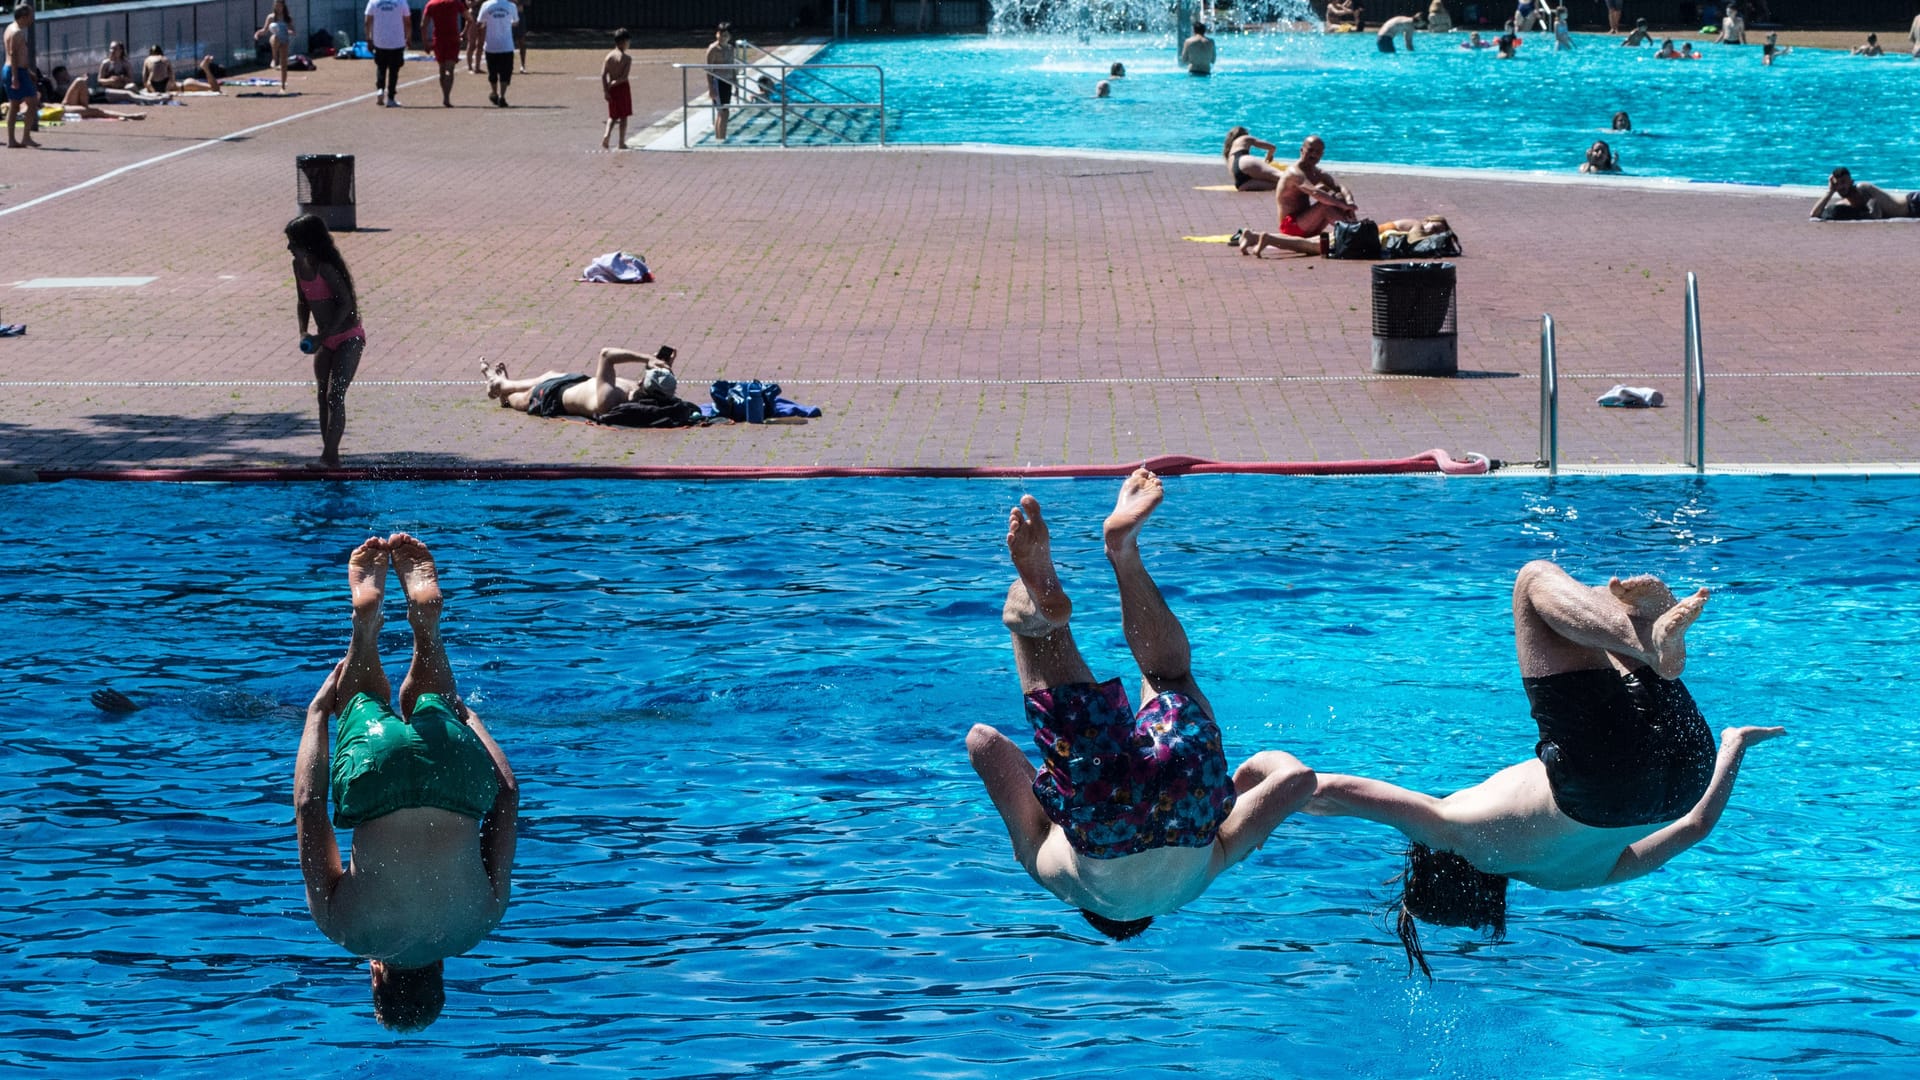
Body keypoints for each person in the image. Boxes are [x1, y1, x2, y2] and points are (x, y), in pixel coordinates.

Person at [1305, 561, 1785, 977]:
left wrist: (1734, 745)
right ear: (1434, 861)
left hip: (1687, 775)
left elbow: (1695, 828)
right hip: (1596, 779)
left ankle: (1647, 634)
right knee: (1535, 584)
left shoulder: (1576, 879)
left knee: (1593, 610)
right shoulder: (1455, 831)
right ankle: (1646, 641)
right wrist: (1243, 799)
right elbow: (1325, 790)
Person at [966, 471, 1317, 940]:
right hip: (1099, 819)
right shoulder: (1064, 884)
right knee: (1036, 635)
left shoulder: (1200, 878)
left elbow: (1298, 781)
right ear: (1093, 914)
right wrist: (1043, 800)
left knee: (1167, 677)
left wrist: (1241, 780)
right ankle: (1036, 606)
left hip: (1191, 798)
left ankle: (1123, 551)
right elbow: (983, 742)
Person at [299, 534, 518, 1030]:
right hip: (376, 780)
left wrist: (469, 718)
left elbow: (506, 796)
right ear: (377, 977)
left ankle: (427, 629)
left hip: (455, 778)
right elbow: (311, 808)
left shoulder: (480, 923)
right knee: (358, 695)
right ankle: (365, 627)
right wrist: (316, 717)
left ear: (440, 975)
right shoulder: (345, 931)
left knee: (431, 693)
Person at [287, 214, 365, 468]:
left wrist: (325, 334)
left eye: (293, 243)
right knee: (322, 396)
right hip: (324, 339)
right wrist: (303, 332)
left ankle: (328, 457)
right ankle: (331, 456)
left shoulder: (326, 268)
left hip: (347, 338)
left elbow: (346, 304)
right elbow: (302, 302)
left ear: (308, 243)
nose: (289, 248)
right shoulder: (298, 267)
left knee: (335, 395)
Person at [483, 347, 678, 420]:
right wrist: (665, 365)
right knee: (549, 374)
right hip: (575, 380)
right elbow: (660, 389)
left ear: (644, 381)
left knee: (516, 399)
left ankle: (500, 387)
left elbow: (606, 354)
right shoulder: (647, 394)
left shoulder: (610, 399)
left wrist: (646, 359)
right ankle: (503, 383)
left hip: (552, 397)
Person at [1277, 134, 1360, 241]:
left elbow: (1339, 187)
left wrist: (1349, 202)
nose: (1314, 154)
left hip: (1307, 225)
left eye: (1318, 152)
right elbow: (1315, 193)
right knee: (1325, 205)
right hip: (1291, 227)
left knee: (1338, 195)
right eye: (1310, 150)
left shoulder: (1316, 172)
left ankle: (1354, 227)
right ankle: (1355, 232)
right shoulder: (1295, 173)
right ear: (1301, 150)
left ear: (1322, 154)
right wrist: (1342, 206)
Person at [1809, 166, 1920, 220]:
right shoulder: (1844, 203)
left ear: (1851, 182)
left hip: (1913, 202)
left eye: (1844, 182)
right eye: (1838, 184)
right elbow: (1814, 215)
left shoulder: (1862, 189)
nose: (1842, 187)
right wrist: (1830, 191)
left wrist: (1858, 215)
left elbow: (1876, 214)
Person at [5, 3, 39, 149]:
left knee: (14, 105)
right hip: (15, 71)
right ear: (24, 17)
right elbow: (13, 55)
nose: (32, 19)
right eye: (30, 15)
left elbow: (18, 55)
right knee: (32, 102)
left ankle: (12, 140)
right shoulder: (16, 32)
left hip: (17, 70)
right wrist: (15, 76)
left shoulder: (10, 27)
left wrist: (28, 71)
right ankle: (25, 137)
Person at [51, 66, 146, 119]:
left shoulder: (68, 85)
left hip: (77, 102)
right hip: (69, 105)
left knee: (128, 93)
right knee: (97, 111)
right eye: (65, 75)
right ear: (60, 77)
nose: (67, 76)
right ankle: (129, 115)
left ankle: (151, 99)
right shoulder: (60, 88)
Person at [365, 0, 412, 107]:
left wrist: (368, 38)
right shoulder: (401, 2)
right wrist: (408, 37)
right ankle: (391, 98)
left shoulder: (373, 2)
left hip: (380, 40)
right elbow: (407, 21)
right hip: (397, 41)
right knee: (394, 70)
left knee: (381, 67)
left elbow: (367, 21)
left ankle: (380, 89)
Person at [422, 0, 465, 106]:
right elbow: (469, 18)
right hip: (453, 39)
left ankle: (445, 96)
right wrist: (464, 33)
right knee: (450, 69)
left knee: (442, 68)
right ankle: (447, 96)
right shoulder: (455, 2)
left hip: (439, 40)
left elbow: (423, 25)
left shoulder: (432, 4)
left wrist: (426, 43)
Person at [477, 0, 518, 106]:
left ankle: (495, 92)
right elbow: (515, 22)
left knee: (493, 71)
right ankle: (502, 95)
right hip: (506, 45)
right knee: (506, 71)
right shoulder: (511, 5)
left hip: (491, 45)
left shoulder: (486, 5)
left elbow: (480, 22)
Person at [1222, 126, 1287, 191]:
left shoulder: (1230, 150)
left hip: (1241, 183)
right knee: (1282, 176)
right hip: (1243, 162)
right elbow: (1272, 147)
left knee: (1278, 184)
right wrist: (1268, 157)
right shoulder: (1244, 138)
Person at [600, 28, 632, 149]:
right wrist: (615, 83)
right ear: (624, 42)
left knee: (612, 115)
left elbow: (603, 75)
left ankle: (607, 134)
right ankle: (621, 142)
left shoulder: (608, 57)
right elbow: (624, 77)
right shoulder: (627, 59)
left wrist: (606, 90)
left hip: (611, 89)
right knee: (623, 116)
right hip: (622, 89)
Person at [704, 22, 733, 141]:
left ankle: (721, 138)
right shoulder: (713, 49)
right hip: (718, 82)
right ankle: (720, 139)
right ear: (717, 34)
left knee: (725, 112)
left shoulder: (730, 48)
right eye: (721, 35)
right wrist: (711, 87)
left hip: (728, 82)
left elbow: (732, 66)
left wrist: (735, 82)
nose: (723, 38)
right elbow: (708, 69)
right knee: (722, 112)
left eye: (726, 35)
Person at [257, 0, 294, 91]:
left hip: (284, 40)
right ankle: (274, 58)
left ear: (283, 6)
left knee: (284, 64)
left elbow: (293, 31)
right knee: (275, 38)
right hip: (275, 39)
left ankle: (283, 86)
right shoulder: (271, 17)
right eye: (276, 6)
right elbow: (265, 30)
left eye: (280, 6)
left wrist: (288, 31)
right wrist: (257, 33)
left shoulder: (287, 18)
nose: (278, 8)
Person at [464, 0, 485, 73]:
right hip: (473, 16)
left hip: (484, 17)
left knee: (481, 44)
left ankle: (477, 67)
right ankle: (470, 67)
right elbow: (469, 4)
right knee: (472, 43)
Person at [514, 0, 530, 72]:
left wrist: (519, 2)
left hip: (520, 15)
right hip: (508, 15)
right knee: (508, 42)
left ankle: (523, 66)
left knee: (522, 42)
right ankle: (508, 65)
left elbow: (528, 2)